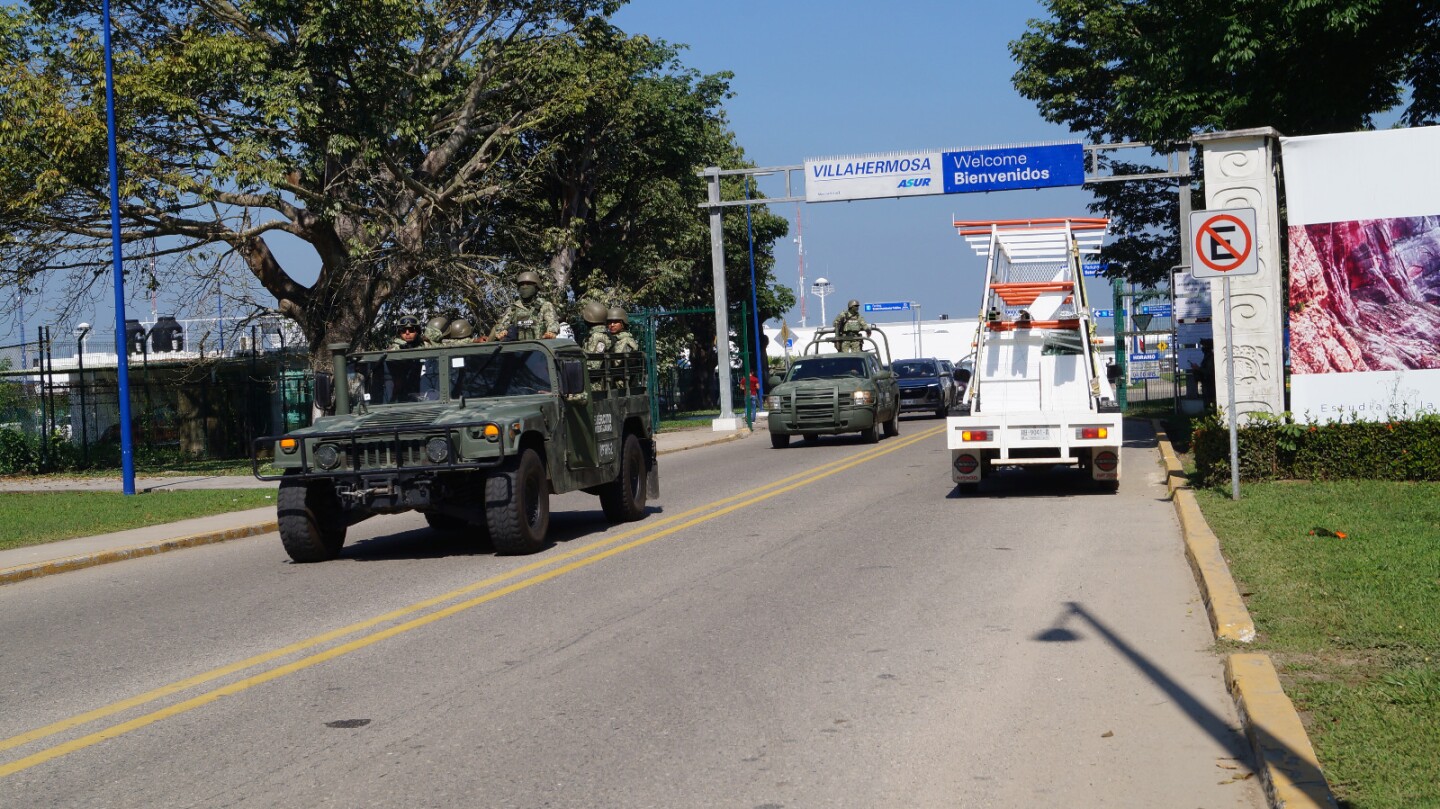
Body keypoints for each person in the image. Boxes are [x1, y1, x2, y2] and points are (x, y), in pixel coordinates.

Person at [486, 270, 559, 341]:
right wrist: (501, 333)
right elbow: (501, 326)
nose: (524, 287)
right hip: (518, 349)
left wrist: (551, 333)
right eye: (522, 284)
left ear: (536, 287)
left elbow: (553, 323)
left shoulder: (545, 305)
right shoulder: (513, 308)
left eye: (528, 284)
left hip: (538, 348)